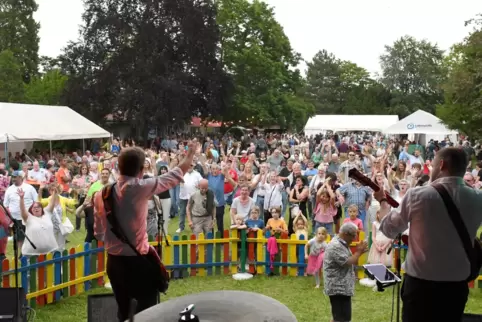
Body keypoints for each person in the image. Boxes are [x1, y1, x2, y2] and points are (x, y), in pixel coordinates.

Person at [374, 147, 482, 322]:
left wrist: (383, 202)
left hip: (420, 285)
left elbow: (388, 229)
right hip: (456, 286)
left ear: (441, 164)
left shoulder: (418, 195)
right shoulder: (478, 198)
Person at [94, 140, 196, 322]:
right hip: (138, 263)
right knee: (148, 313)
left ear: (118, 167)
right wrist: (189, 155)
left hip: (114, 263)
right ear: (141, 170)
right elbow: (173, 176)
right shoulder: (140, 188)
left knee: (123, 312)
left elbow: (99, 233)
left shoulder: (100, 195)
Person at [323, 222, 368, 322]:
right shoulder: (336, 246)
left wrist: (359, 252)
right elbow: (348, 262)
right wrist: (359, 252)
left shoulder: (342, 244)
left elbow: (351, 260)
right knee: (342, 319)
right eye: (352, 236)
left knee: (339, 317)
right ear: (345, 234)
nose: (354, 239)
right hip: (337, 287)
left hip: (342, 286)